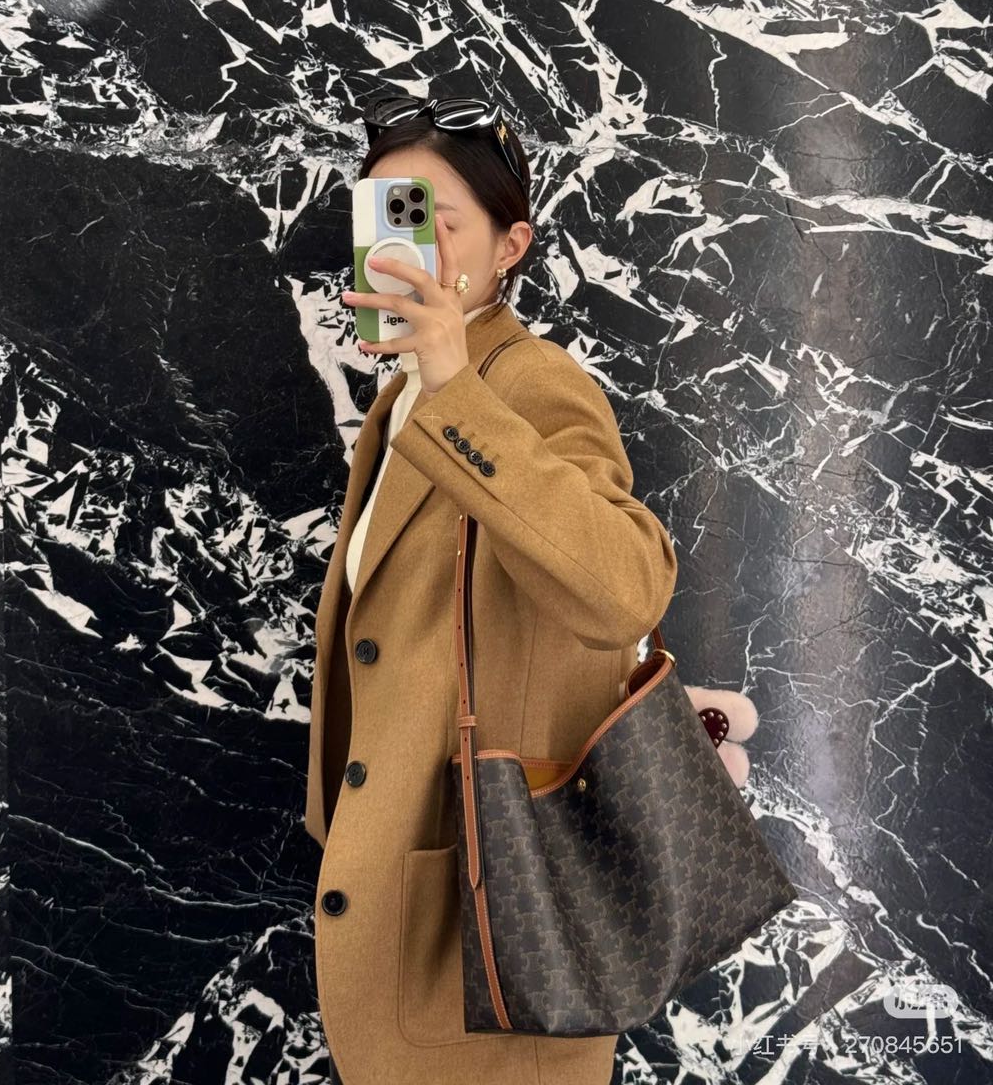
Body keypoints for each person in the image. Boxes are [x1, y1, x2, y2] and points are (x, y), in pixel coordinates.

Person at [304, 95, 756, 1085]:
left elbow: (627, 586)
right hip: (411, 897)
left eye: (434, 221)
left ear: (511, 247)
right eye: (384, 215)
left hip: (492, 919)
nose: (402, 250)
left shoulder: (529, 383)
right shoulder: (401, 399)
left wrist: (456, 391)